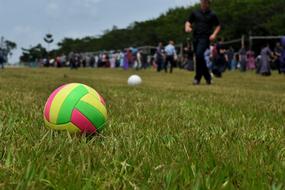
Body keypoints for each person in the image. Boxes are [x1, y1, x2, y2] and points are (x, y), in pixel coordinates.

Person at [185, 0, 221, 85]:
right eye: (202, 2)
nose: (203, 4)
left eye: (205, 2)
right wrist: (187, 27)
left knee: (199, 55)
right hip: (195, 38)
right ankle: (208, 78)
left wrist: (214, 34)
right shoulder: (195, 12)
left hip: (205, 38)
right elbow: (188, 21)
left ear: (208, 3)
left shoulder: (212, 14)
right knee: (199, 57)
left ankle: (197, 78)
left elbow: (218, 25)